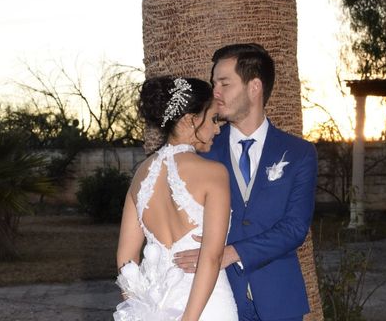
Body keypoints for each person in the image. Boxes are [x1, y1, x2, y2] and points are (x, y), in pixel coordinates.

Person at [174, 43, 318, 321]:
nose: (215, 92)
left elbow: (295, 228)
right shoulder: (203, 153)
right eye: (213, 83)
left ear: (255, 87)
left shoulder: (299, 153)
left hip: (280, 300)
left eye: (224, 83)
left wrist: (231, 252)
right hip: (219, 298)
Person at [114, 75, 238, 321]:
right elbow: (211, 258)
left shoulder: (141, 174)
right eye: (213, 119)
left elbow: (125, 259)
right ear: (190, 120)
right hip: (208, 306)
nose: (217, 128)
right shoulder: (213, 173)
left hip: (156, 308)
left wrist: (142, 310)